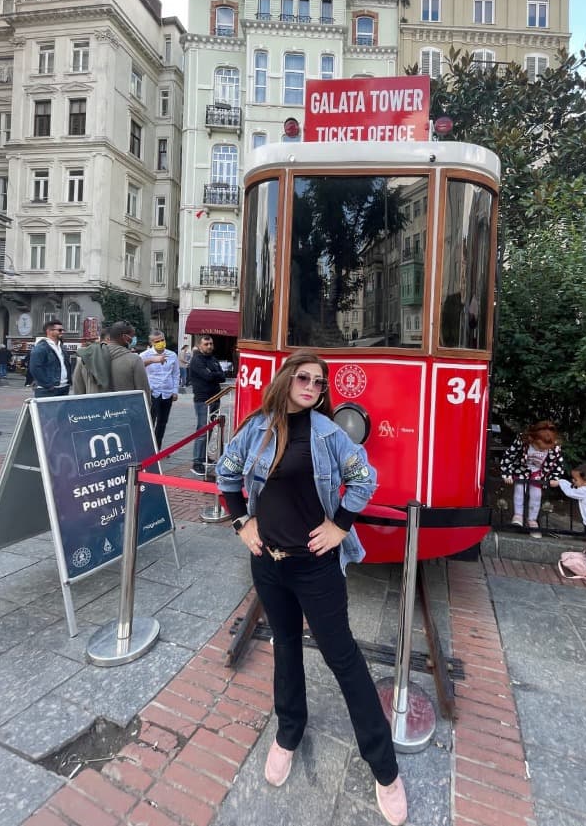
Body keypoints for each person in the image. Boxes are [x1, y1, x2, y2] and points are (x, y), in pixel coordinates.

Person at [216, 351, 407, 826]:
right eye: (303, 378)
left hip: (316, 569)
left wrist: (340, 525)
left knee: (343, 658)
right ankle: (288, 733)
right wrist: (241, 522)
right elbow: (226, 473)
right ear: (285, 379)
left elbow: (364, 478)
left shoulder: (327, 433)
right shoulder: (257, 428)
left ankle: (385, 769)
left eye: (319, 382)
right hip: (269, 565)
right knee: (285, 647)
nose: (312, 386)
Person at [500, 420, 565, 538]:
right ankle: (518, 516)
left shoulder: (554, 447)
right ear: (532, 439)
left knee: (536, 495)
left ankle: (532, 521)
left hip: (538, 472)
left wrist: (555, 477)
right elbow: (509, 455)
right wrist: (507, 473)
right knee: (519, 490)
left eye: (544, 449)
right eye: (539, 448)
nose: (541, 451)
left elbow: (558, 463)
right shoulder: (523, 441)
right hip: (522, 470)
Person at [73, 321, 150, 399]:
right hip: (124, 406)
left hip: (94, 406)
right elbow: (144, 394)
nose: (134, 339)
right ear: (125, 337)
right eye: (132, 336)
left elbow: (78, 394)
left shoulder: (85, 357)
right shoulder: (135, 360)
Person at [188, 335, 226, 476]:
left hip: (216, 398)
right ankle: (197, 462)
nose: (209, 346)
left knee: (210, 429)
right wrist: (215, 374)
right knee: (202, 431)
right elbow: (207, 376)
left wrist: (213, 374)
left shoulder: (213, 359)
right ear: (200, 345)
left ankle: (203, 456)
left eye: (211, 343)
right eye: (206, 344)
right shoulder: (196, 360)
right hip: (203, 400)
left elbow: (223, 377)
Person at [140, 330, 179, 447]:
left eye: (162, 340)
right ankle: (148, 448)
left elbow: (175, 374)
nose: (161, 343)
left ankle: (158, 447)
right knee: (150, 421)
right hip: (153, 392)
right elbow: (139, 370)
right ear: (152, 342)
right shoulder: (145, 355)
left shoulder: (172, 355)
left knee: (162, 422)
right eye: (157, 341)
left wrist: (175, 391)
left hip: (167, 393)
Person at [28, 320, 72, 398]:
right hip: (48, 390)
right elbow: (35, 368)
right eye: (59, 330)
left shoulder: (61, 346)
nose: (62, 332)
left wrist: (68, 381)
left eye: (63, 330)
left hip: (64, 387)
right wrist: (48, 385)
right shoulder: (41, 347)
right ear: (49, 331)